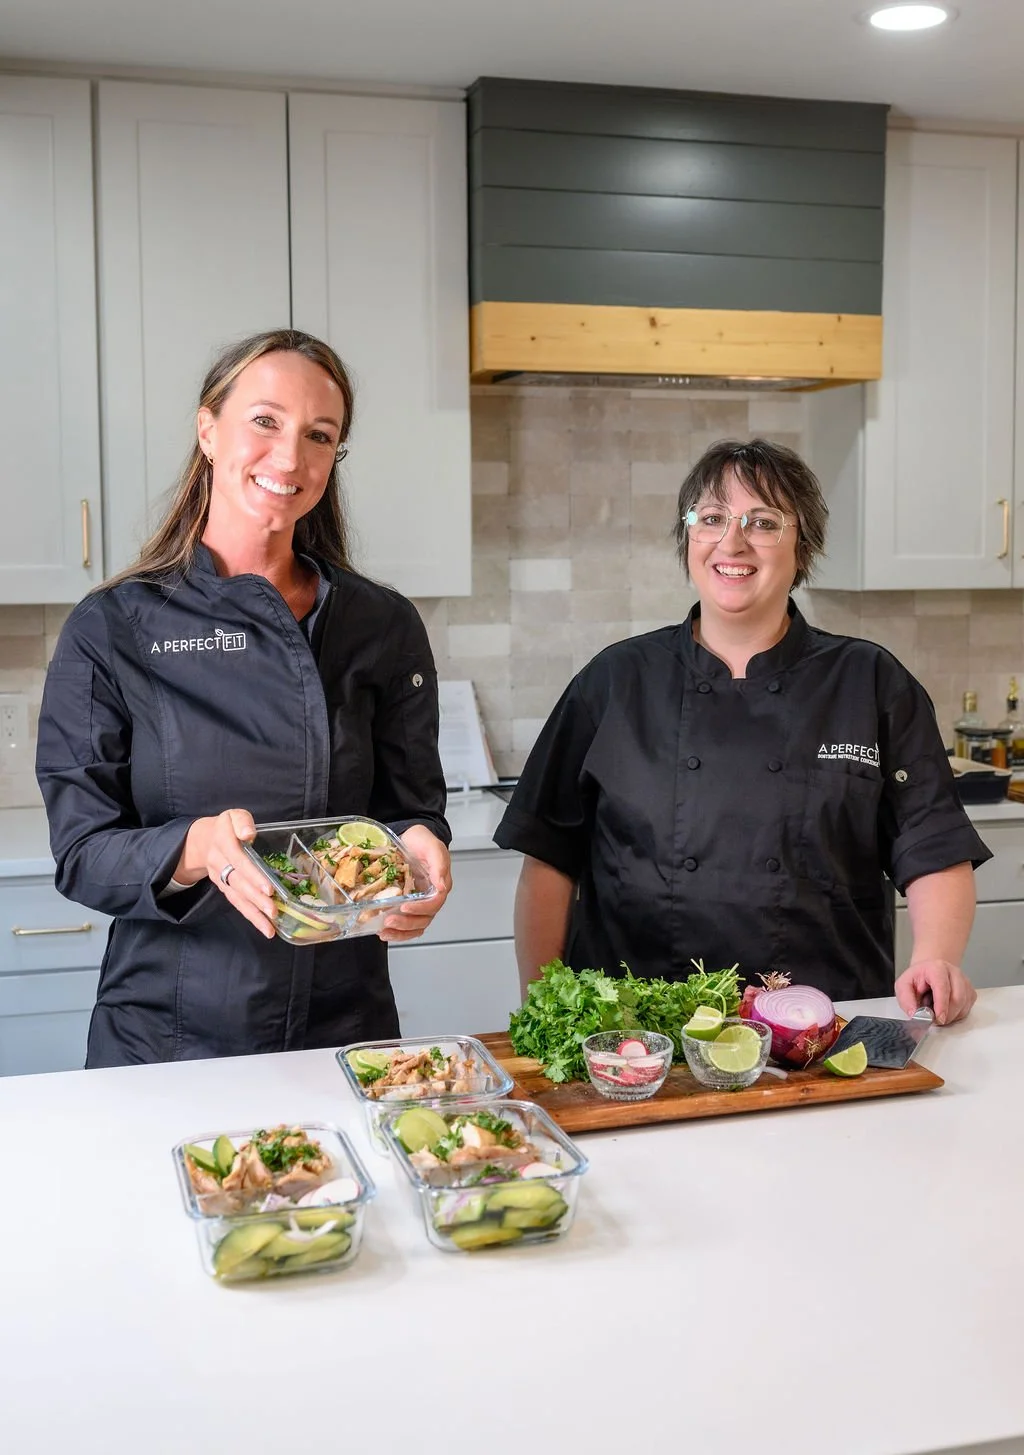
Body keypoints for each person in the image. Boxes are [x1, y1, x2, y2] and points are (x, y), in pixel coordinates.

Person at [36, 328, 452, 1067]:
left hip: (344, 1034)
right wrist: (196, 847)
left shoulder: (381, 625)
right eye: (265, 421)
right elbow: (82, 853)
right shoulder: (114, 626)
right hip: (168, 1041)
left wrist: (421, 847)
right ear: (207, 428)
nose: (290, 458)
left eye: (319, 435)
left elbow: (409, 807)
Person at [494, 438, 989, 1025]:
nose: (732, 542)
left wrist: (936, 958)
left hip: (826, 1030)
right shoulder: (614, 680)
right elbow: (550, 860)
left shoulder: (870, 681)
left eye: (763, 522)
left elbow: (932, 845)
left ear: (802, 548)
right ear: (689, 541)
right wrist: (543, 1007)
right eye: (711, 519)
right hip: (636, 1035)